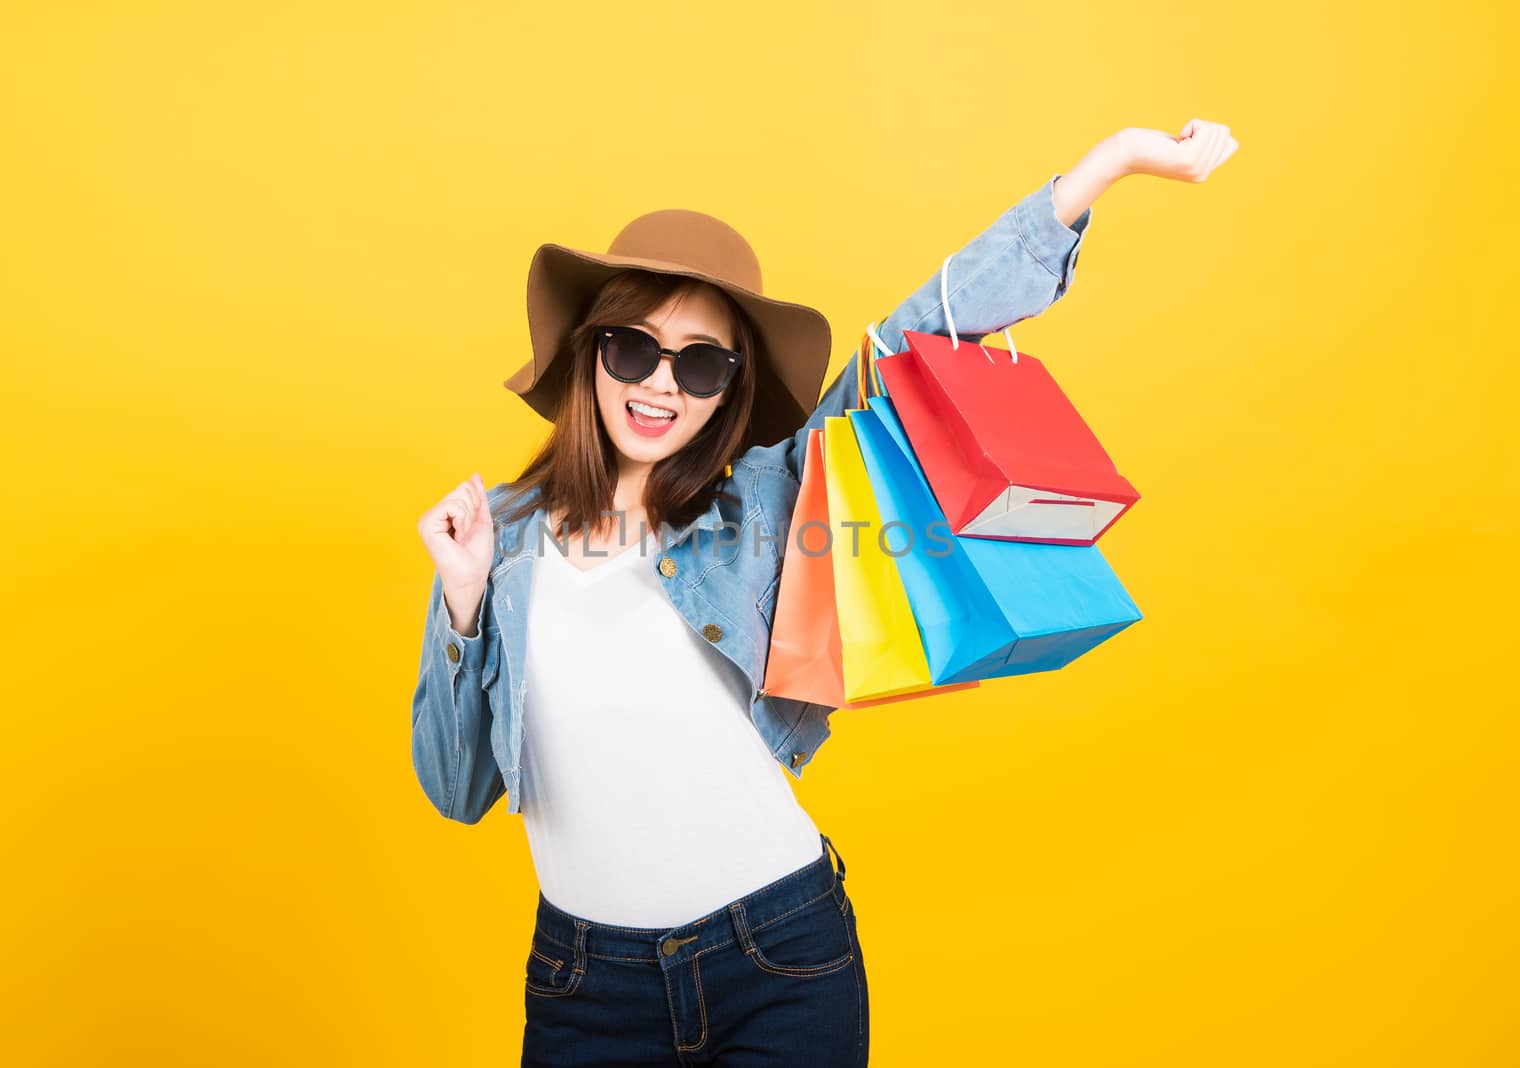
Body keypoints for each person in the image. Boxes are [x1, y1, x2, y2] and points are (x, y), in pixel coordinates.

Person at [412, 120, 1237, 1067]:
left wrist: (1107, 167)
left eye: (701, 362)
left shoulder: (766, 501)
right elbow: (456, 788)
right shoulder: (499, 536)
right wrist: (464, 604)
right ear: (592, 354)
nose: (660, 385)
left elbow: (917, 332)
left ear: (730, 388)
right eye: (633, 349)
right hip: (584, 989)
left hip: (778, 962)